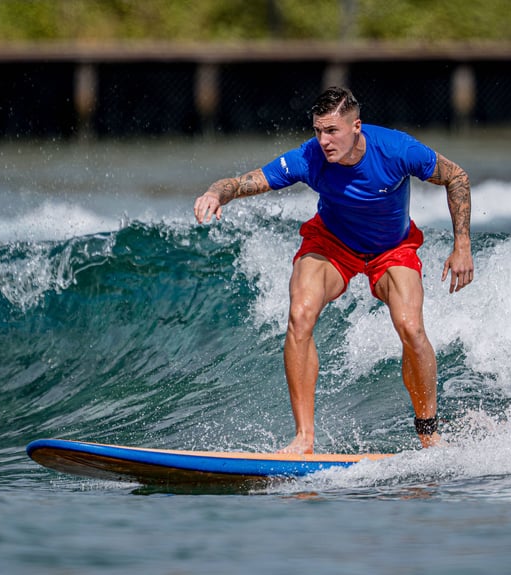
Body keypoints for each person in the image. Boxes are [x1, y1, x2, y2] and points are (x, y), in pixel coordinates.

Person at [194, 86, 474, 453]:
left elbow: (456, 177)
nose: (323, 141)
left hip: (392, 248)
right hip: (331, 245)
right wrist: (217, 194)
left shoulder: (397, 149)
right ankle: (304, 439)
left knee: (411, 327)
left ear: (356, 126)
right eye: (317, 131)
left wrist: (462, 246)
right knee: (300, 314)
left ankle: (428, 431)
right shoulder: (309, 158)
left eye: (332, 131)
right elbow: (244, 182)